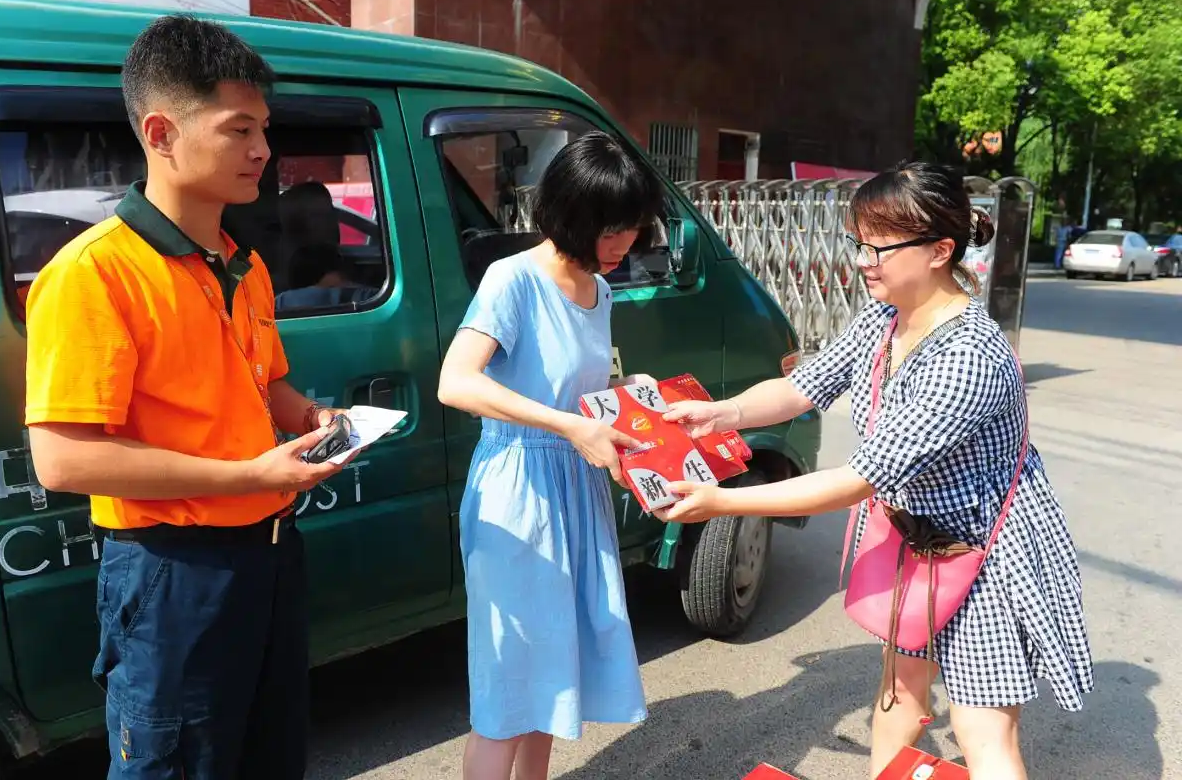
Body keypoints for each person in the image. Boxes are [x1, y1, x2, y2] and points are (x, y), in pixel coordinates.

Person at [656, 161, 1093, 780]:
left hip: (985, 554)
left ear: (941, 250)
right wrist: (721, 412)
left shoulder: (968, 356)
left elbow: (861, 478)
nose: (863, 261)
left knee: (982, 730)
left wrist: (722, 502)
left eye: (880, 247)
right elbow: (805, 386)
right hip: (916, 540)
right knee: (898, 693)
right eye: (858, 242)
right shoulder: (885, 317)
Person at [23, 15, 356, 779]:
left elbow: (266, 381)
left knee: (270, 756)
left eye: (264, 129)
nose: (263, 151)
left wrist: (310, 418)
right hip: (171, 572)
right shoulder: (95, 274)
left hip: (270, 556)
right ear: (162, 132)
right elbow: (65, 458)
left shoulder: (243, 262)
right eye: (240, 129)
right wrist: (251, 477)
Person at [438, 131, 663, 780]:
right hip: (518, 492)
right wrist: (569, 425)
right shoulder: (513, 279)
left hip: (575, 485)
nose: (624, 244)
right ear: (574, 214)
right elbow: (457, 382)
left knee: (551, 682)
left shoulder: (601, 290)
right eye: (613, 229)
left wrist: (632, 398)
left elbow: (583, 390)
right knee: (509, 692)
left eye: (632, 228)